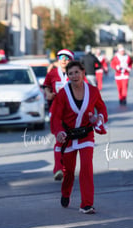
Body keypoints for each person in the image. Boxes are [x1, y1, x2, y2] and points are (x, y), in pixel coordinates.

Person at [50, 61, 108, 214]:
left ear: (83, 73)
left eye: (77, 72)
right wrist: (59, 132)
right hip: (68, 136)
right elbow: (56, 117)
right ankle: (66, 192)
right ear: (67, 76)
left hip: (86, 135)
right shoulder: (63, 93)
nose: (74, 76)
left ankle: (86, 204)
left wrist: (98, 118)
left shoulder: (93, 91)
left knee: (86, 168)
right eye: (70, 73)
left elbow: (101, 107)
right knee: (69, 171)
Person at [43, 48, 74, 181]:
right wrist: (48, 94)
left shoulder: (75, 73)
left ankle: (66, 168)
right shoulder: (52, 73)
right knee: (60, 139)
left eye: (67, 58)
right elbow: (46, 86)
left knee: (70, 142)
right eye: (61, 57)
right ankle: (58, 169)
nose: (63, 60)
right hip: (56, 111)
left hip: (72, 112)